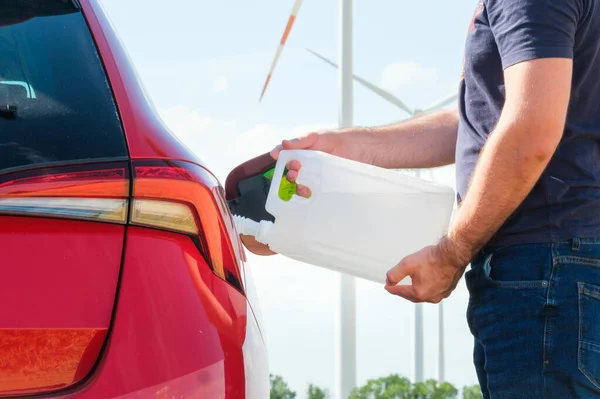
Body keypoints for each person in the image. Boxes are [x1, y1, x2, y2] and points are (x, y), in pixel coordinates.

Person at [265, 0, 600, 397]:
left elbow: (530, 129)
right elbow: (487, 120)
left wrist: (451, 253)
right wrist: (349, 146)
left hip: (546, 271)